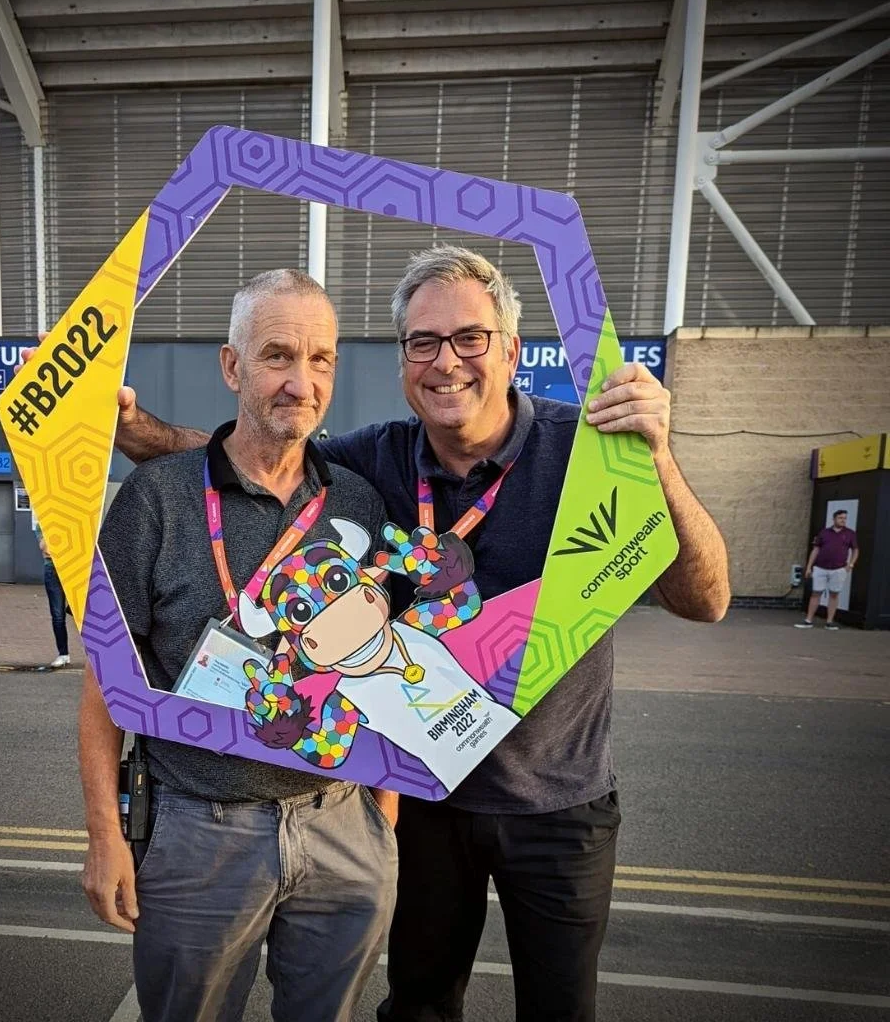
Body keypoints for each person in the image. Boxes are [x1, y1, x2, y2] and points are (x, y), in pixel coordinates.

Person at [111, 245, 731, 1022]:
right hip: (430, 795)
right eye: (423, 342)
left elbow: (705, 600)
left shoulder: (590, 452)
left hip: (559, 801)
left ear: (511, 350)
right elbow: (260, 452)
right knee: (419, 1008)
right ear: (404, 360)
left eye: (470, 338)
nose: (447, 362)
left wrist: (657, 457)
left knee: (561, 1009)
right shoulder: (378, 459)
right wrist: (130, 428)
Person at [83, 269, 399, 1022]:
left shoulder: (358, 501)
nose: (301, 382)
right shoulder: (157, 498)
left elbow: (381, 662)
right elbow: (102, 684)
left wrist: (381, 817)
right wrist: (104, 836)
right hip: (200, 829)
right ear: (232, 366)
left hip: (341, 822)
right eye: (277, 355)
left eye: (320, 360)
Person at [796, 509, 858, 630]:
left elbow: (855, 549)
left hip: (839, 568)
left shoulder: (850, 533)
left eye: (845, 518)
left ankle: (829, 622)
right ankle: (808, 620)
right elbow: (816, 549)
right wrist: (809, 567)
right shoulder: (824, 532)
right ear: (834, 519)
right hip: (820, 567)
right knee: (816, 593)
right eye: (840, 518)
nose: (843, 520)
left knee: (834, 594)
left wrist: (851, 564)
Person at [35, 522, 70, 668]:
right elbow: (45, 549)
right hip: (52, 570)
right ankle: (63, 654)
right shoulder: (42, 524)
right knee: (58, 615)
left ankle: (92, 656)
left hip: (73, 569)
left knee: (83, 616)